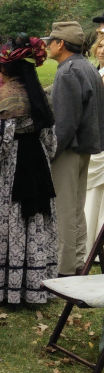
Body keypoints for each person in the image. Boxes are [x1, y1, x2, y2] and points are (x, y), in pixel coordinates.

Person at [0, 36, 58, 304]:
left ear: (4, 70)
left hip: (11, 170)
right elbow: (50, 142)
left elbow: (0, 144)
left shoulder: (7, 96)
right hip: (38, 163)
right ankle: (36, 284)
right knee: (34, 221)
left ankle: (7, 288)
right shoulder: (39, 95)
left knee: (9, 221)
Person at [45, 21, 104, 276]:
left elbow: (65, 123)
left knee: (65, 209)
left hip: (69, 149)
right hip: (85, 148)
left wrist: (51, 151)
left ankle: (66, 267)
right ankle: (79, 261)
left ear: (60, 44)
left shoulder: (68, 71)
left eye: (51, 40)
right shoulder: (86, 67)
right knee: (77, 208)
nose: (47, 45)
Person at [86, 36, 104, 255]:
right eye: (100, 46)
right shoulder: (95, 72)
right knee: (91, 199)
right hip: (96, 143)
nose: (101, 51)